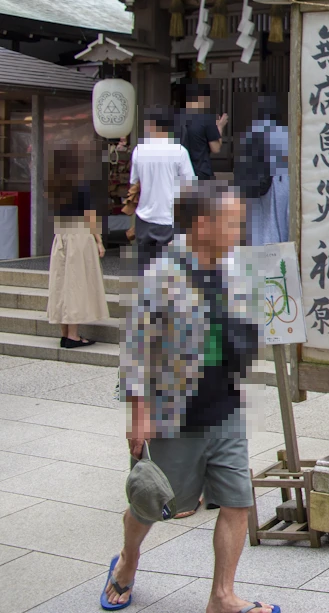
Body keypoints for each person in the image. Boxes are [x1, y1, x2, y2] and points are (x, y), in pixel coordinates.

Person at [107, 181, 279, 613]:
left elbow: (257, 320)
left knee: (238, 501)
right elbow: (135, 347)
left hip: (225, 408)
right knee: (151, 503)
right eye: (232, 222)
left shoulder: (236, 268)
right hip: (173, 413)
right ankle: (127, 562)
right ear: (203, 225)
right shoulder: (162, 274)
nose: (240, 230)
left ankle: (222, 596)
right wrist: (137, 413)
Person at [45, 149, 108, 349]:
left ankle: (65, 333)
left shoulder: (53, 186)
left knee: (62, 284)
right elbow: (89, 216)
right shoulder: (81, 185)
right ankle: (73, 335)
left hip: (61, 236)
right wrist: (99, 240)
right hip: (79, 236)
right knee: (77, 284)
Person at [126, 108, 196, 270]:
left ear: (152, 126)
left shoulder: (139, 150)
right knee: (171, 272)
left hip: (144, 219)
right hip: (170, 220)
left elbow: (134, 183)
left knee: (145, 269)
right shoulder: (180, 152)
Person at [240, 95, 290, 246]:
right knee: (280, 222)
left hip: (256, 185)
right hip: (281, 183)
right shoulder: (284, 133)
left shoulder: (251, 133)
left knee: (259, 224)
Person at [179, 82, 229, 181]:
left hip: (180, 172)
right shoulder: (206, 120)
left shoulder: (178, 119)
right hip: (201, 172)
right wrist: (220, 127)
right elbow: (216, 148)